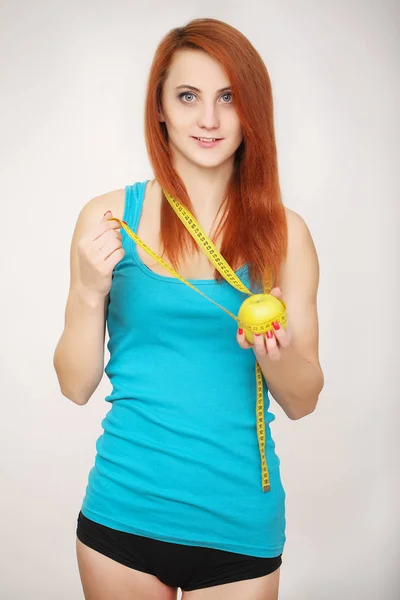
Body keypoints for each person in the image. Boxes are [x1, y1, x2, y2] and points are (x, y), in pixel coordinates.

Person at [53, 17, 324, 600]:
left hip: (239, 526)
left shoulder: (285, 234)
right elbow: (75, 386)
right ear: (160, 109)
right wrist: (85, 291)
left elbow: (303, 399)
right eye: (188, 96)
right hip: (122, 512)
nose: (208, 119)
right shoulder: (109, 219)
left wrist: (272, 356)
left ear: (252, 108)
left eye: (228, 97)